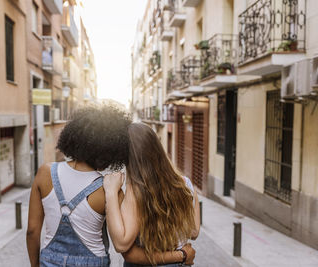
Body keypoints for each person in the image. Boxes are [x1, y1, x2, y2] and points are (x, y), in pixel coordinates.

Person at [26, 106, 195, 267]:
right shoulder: (107, 189)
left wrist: (35, 264)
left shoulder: (45, 172)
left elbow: (32, 231)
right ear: (110, 150)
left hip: (49, 260)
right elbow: (124, 242)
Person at [104, 123, 200, 266]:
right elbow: (193, 232)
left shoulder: (136, 192)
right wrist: (181, 254)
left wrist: (111, 192)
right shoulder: (186, 185)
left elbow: (122, 244)